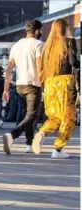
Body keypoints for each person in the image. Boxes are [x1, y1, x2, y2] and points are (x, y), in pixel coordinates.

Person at [32, 19, 79, 159]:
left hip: (50, 82)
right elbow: (72, 62)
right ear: (65, 28)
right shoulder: (69, 41)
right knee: (68, 117)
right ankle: (58, 149)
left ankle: (42, 133)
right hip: (65, 82)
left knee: (55, 116)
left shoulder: (47, 46)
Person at [2, 20, 44, 155]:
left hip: (19, 85)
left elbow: (8, 69)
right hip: (33, 84)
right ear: (37, 31)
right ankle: (12, 136)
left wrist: (6, 89)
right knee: (31, 115)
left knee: (27, 115)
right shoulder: (38, 44)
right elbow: (39, 66)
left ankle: (28, 144)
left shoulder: (16, 45)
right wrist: (44, 83)